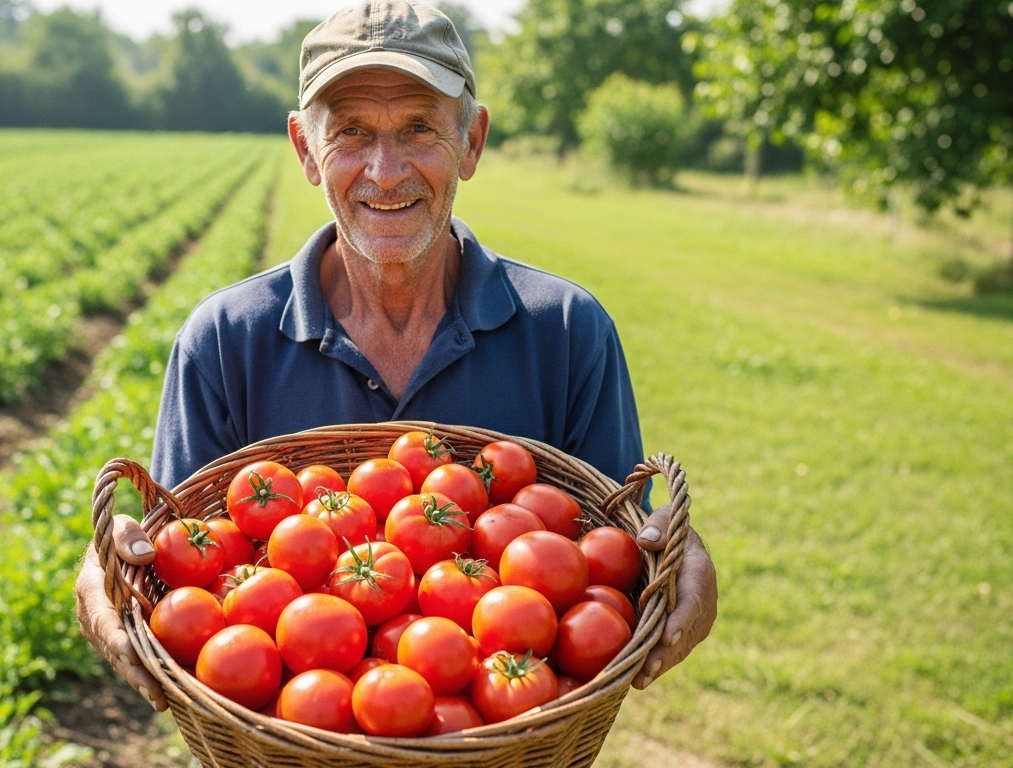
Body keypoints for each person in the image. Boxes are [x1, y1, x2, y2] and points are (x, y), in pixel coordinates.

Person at [75, 0, 717, 713]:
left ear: (471, 142)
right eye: (351, 132)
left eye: (419, 127)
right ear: (305, 151)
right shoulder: (226, 339)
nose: (385, 171)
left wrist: (677, 554)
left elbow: (617, 556)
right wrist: (110, 567)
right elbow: (176, 564)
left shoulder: (567, 330)